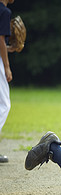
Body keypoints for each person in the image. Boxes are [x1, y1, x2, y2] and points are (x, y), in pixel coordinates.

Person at [0, 0, 15, 163]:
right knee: (4, 105)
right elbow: (0, 38)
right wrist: (7, 66)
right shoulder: (4, 12)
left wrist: (7, 47)